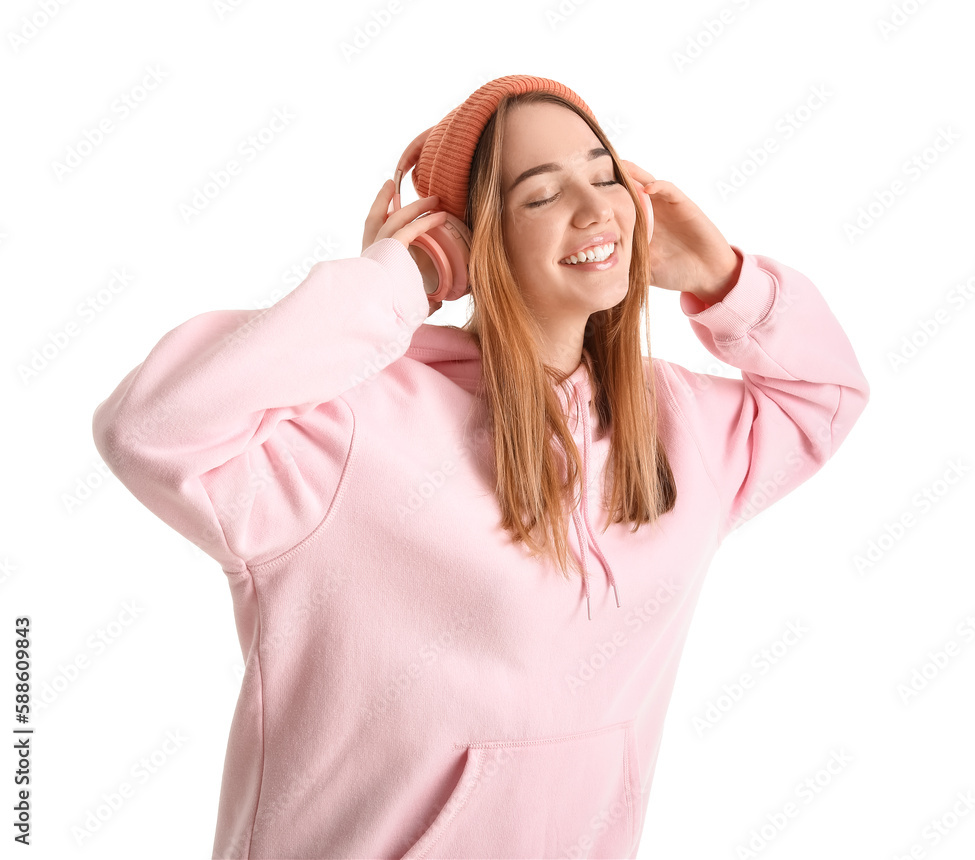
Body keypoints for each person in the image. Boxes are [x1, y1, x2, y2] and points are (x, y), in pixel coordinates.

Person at [92, 75, 870, 859]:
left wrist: (724, 277)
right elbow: (152, 429)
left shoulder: (673, 426)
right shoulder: (353, 427)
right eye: (540, 195)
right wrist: (405, 278)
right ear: (473, 238)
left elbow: (827, 397)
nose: (596, 208)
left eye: (606, 176)